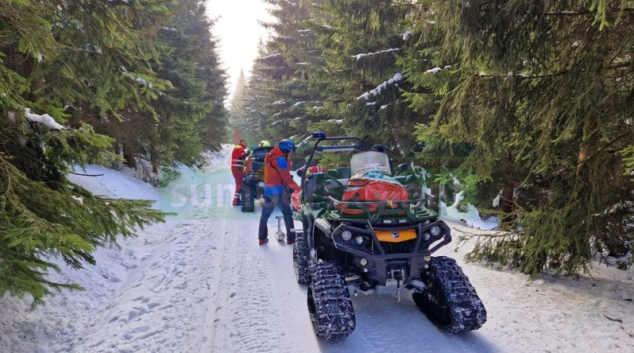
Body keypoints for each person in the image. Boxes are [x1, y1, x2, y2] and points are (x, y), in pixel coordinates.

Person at [259, 139, 301, 245]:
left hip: (268, 189)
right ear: (286, 149)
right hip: (277, 191)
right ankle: (291, 239)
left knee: (265, 214)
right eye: (291, 150)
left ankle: (261, 238)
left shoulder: (270, 156)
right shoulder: (281, 160)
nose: (291, 152)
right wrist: (299, 189)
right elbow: (287, 179)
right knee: (287, 214)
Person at [231, 138, 248, 206]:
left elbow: (240, 158)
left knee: (238, 184)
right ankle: (235, 201)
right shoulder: (240, 148)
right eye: (245, 143)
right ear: (242, 142)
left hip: (235, 169)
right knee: (240, 184)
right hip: (238, 169)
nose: (246, 144)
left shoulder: (237, 147)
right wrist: (247, 153)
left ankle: (237, 200)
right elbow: (242, 156)